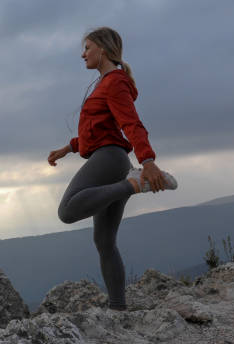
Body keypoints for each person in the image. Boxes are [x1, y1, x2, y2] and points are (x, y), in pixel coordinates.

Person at [47, 27, 177, 311]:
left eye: (87, 48)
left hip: (110, 160)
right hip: (110, 157)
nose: (83, 54)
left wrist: (148, 161)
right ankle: (119, 311)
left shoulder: (114, 82)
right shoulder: (105, 82)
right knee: (104, 241)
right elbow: (99, 129)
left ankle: (132, 184)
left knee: (67, 210)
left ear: (103, 50)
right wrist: (69, 148)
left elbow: (131, 123)